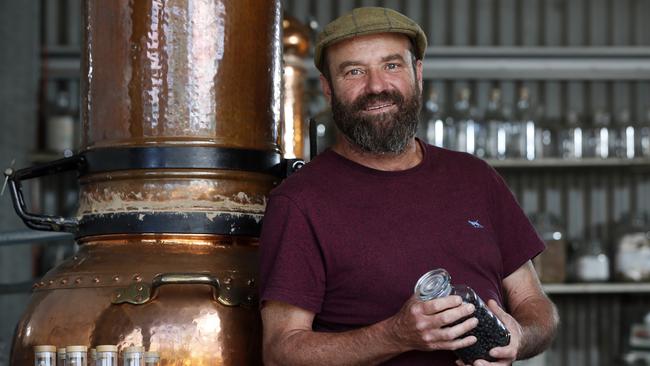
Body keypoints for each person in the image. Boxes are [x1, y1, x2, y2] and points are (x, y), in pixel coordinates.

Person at [259, 7, 558, 366]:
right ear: (327, 87)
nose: (376, 86)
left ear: (417, 73)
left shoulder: (475, 177)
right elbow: (280, 351)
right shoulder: (300, 201)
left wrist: (520, 336)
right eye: (354, 71)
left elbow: (535, 305)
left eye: (392, 65)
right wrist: (395, 334)